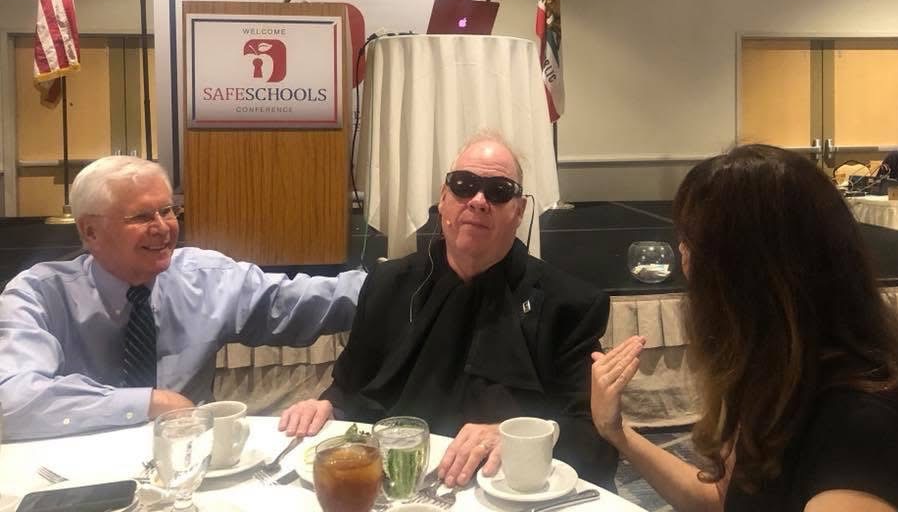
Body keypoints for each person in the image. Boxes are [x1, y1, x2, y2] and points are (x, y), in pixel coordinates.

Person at [591, 144, 898, 512]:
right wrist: (617, 431)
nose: (683, 257)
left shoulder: (861, 431)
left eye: (691, 243)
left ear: (743, 275)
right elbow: (720, 501)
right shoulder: (778, 378)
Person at [279, 132, 619, 489]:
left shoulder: (569, 305)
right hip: (395, 482)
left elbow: (592, 438)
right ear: (443, 199)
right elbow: (348, 389)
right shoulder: (388, 284)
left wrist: (519, 436)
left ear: (518, 211)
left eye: (499, 191)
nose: (479, 201)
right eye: (464, 185)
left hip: (504, 492)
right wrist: (325, 407)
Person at [0, 156, 365, 441]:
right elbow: (10, 400)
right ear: (90, 231)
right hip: (77, 471)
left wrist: (394, 281)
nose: (163, 228)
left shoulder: (204, 277)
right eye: (141, 216)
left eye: (168, 210)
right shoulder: (39, 294)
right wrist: (150, 403)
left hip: (191, 463)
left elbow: (305, 301)